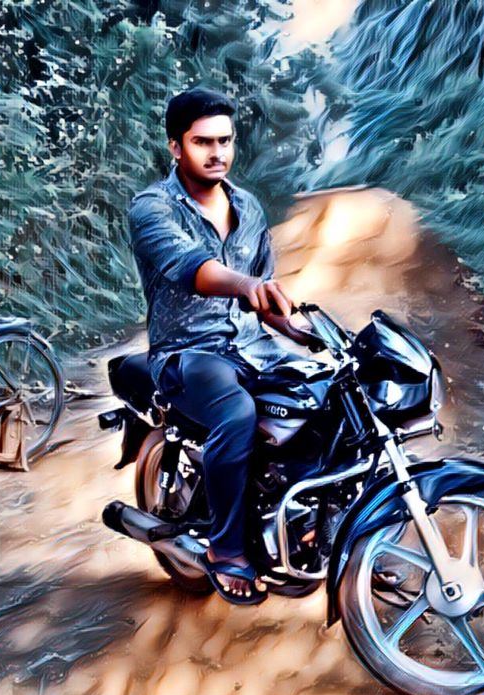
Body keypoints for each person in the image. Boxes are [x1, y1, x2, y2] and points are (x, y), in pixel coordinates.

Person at [128, 87, 311, 604]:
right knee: (236, 413)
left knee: (324, 397)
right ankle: (226, 549)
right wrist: (246, 285)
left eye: (225, 141)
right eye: (202, 142)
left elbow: (263, 296)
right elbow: (193, 268)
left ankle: (318, 529)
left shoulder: (248, 207)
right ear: (175, 146)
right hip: (188, 353)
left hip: (253, 347)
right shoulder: (152, 207)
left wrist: (308, 335)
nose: (217, 153)